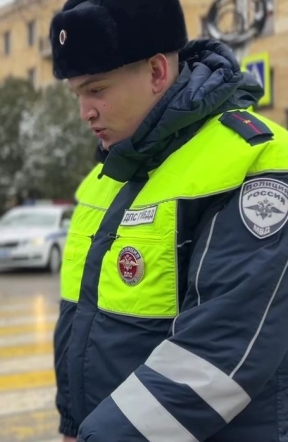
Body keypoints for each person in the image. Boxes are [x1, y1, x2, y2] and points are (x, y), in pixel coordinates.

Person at [50, 0, 288, 441]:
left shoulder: (256, 159)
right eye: (77, 94)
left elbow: (220, 353)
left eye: (97, 90)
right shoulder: (113, 171)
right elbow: (82, 319)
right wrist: (71, 421)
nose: (85, 112)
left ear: (158, 72)